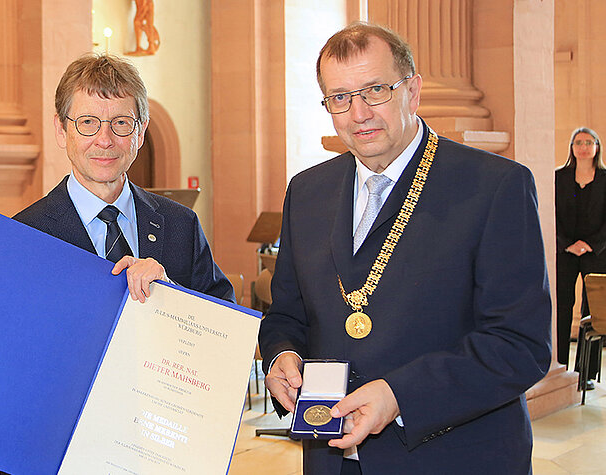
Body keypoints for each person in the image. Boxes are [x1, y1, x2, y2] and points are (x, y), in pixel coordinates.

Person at [258, 22, 551, 474]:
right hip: (332, 461)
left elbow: (518, 345)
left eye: (374, 90)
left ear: (412, 92)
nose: (358, 114)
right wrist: (281, 355)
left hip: (452, 458)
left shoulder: (494, 187)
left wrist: (400, 396)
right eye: (340, 98)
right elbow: (286, 315)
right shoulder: (307, 191)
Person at [14, 53, 232, 303]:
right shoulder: (26, 235)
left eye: (120, 123)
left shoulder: (182, 225)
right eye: (87, 122)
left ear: (140, 133)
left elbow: (228, 326)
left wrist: (170, 292)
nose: (105, 140)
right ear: (61, 130)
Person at [555, 127, 605, 388]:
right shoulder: (558, 177)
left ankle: (586, 374)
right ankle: (560, 367)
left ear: (597, 147)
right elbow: (549, 213)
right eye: (578, 142)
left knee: (593, 312)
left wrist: (591, 245)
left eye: (588, 142)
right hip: (565, 251)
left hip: (597, 252)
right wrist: (567, 244)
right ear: (572, 148)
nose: (583, 147)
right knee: (562, 307)